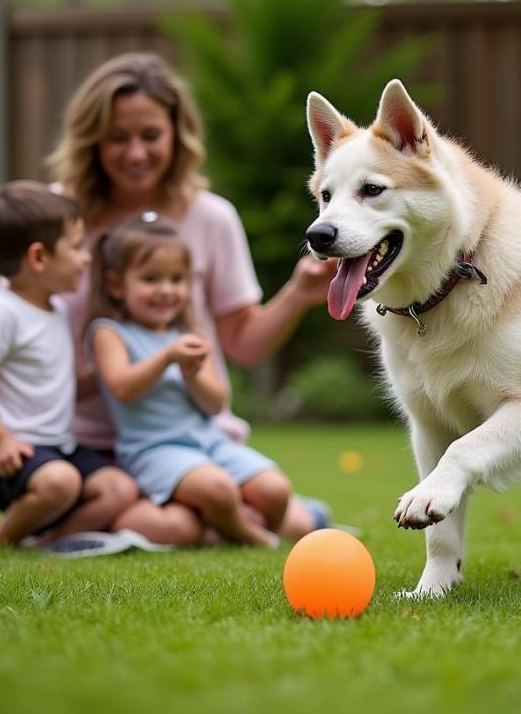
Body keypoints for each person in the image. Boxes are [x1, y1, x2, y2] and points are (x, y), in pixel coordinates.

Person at [46, 51, 337, 545]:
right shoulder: (57, 216)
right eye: (118, 138)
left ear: (176, 136)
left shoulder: (210, 217)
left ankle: (244, 516)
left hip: (197, 437)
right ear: (91, 139)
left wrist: (297, 294)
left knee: (285, 516)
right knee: (174, 526)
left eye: (150, 136)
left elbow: (242, 344)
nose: (135, 153)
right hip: (93, 446)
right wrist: (120, 370)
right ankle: (225, 521)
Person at [0, 182, 138, 552]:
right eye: (75, 247)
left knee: (120, 489)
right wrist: (1, 440)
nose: (86, 258)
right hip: (11, 455)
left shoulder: (56, 309)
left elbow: (58, 384)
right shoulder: (2, 313)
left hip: (57, 447)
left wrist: (109, 375)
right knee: (62, 482)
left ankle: (46, 543)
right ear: (38, 257)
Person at [86, 214, 300, 547]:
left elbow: (215, 403)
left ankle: (221, 529)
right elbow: (122, 387)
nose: (166, 290)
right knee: (217, 490)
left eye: (176, 279)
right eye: (150, 279)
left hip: (209, 443)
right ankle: (248, 537)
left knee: (275, 490)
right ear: (116, 284)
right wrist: (166, 358)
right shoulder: (109, 333)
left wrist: (192, 373)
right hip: (154, 451)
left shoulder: (188, 334)